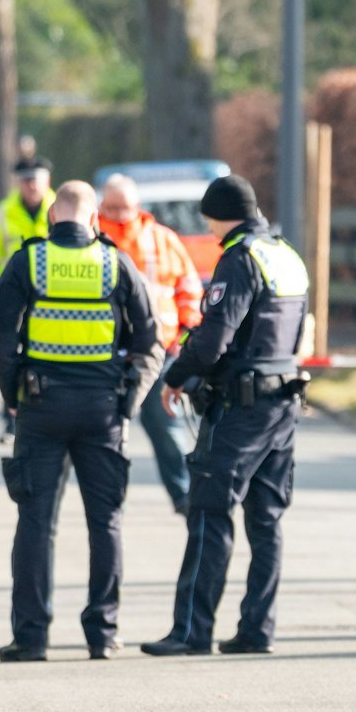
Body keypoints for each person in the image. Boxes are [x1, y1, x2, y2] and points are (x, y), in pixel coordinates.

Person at [0, 180, 163, 661]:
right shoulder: (115, 262)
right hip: (102, 410)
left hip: (40, 410)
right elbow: (152, 340)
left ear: (51, 218)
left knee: (35, 522)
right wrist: (128, 402)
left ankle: (30, 637)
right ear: (93, 220)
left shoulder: (29, 261)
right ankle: (103, 634)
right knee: (105, 522)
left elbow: (2, 340)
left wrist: (14, 397)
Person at [143, 174, 308, 657]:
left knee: (209, 514)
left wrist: (176, 376)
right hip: (283, 404)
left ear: (219, 213)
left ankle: (191, 631)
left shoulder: (239, 259)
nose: (208, 227)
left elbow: (215, 336)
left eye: (209, 218)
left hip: (240, 410)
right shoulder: (285, 255)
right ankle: (257, 629)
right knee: (266, 520)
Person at [96, 174, 204, 513]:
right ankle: (107, 501)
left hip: (161, 352)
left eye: (123, 208)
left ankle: (185, 496)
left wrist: (185, 333)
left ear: (138, 206)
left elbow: (189, 289)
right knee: (104, 433)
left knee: (166, 428)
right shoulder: (93, 242)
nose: (117, 215)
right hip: (106, 356)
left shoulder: (162, 240)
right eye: (110, 207)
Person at [0, 147, 54, 317]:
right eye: (26, 180)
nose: (32, 185)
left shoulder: (60, 210)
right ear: (17, 182)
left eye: (36, 179)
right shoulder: (1, 214)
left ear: (48, 181)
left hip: (50, 300)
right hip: (11, 301)